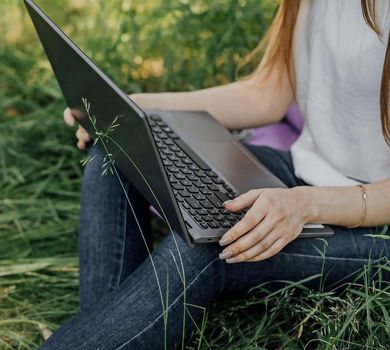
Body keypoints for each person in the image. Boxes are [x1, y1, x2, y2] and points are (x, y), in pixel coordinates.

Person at [41, 1, 390, 348]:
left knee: (210, 245)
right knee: (117, 144)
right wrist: (134, 109)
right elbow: (267, 93)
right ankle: (103, 332)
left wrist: (307, 206)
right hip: (302, 174)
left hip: (375, 223)